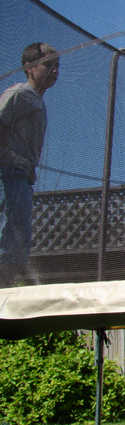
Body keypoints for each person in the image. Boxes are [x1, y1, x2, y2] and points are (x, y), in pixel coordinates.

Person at [0, 43, 59, 287]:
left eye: (57, 66)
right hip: (9, 174)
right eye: (48, 64)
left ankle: (7, 289)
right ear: (29, 67)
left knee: (18, 241)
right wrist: (10, 159)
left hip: (23, 177)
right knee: (9, 239)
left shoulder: (38, 102)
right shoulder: (19, 94)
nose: (54, 71)